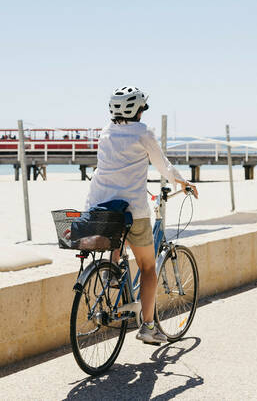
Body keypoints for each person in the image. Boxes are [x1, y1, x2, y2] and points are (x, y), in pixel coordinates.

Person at [84, 86, 198, 344]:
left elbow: (114, 168)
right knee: (147, 268)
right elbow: (163, 165)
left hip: (98, 207)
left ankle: (110, 270)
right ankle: (148, 327)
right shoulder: (142, 132)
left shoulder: (105, 133)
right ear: (138, 110)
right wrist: (183, 182)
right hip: (132, 209)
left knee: (117, 234)